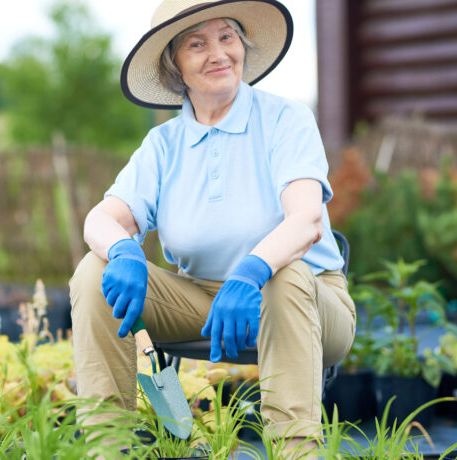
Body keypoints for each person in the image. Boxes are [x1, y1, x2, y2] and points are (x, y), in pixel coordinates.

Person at [69, 0, 356, 454]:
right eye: (197, 44)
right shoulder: (162, 145)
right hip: (203, 303)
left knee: (286, 274)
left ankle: (297, 450)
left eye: (227, 37)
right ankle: (108, 446)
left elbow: (306, 220)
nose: (218, 53)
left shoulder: (286, 119)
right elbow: (101, 219)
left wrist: (251, 272)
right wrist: (124, 251)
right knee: (93, 271)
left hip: (307, 302)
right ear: (174, 66)